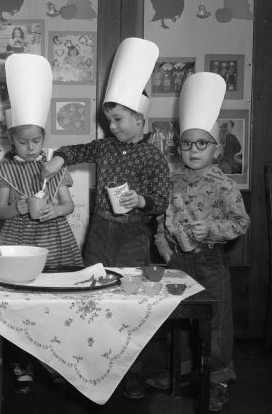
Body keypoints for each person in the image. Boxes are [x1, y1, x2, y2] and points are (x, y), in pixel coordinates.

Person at [43, 37, 171, 399]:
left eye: (117, 120)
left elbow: (161, 201)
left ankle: (130, 372)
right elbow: (75, 149)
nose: (111, 126)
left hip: (133, 238)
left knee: (129, 305)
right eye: (107, 120)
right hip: (99, 232)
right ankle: (90, 367)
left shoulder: (154, 158)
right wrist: (58, 159)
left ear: (139, 117)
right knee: (92, 295)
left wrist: (141, 199)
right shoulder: (105, 146)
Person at [147, 72, 250, 412]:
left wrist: (213, 230)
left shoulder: (225, 185)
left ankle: (217, 380)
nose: (193, 150)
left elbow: (240, 222)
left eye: (201, 144)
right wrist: (163, 247)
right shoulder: (171, 180)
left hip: (210, 262)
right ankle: (179, 371)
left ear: (217, 150)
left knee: (217, 322)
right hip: (177, 261)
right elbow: (160, 218)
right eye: (187, 144)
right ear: (179, 148)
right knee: (176, 319)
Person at [0, 53, 83, 394]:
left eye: (36, 141)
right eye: (22, 141)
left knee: (55, 300)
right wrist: (17, 207)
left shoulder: (55, 166)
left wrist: (55, 211)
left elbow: (69, 204)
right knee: (23, 302)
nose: (31, 148)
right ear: (10, 139)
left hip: (54, 239)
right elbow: (0, 213)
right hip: (19, 240)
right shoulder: (4, 170)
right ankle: (23, 360)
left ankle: (55, 359)